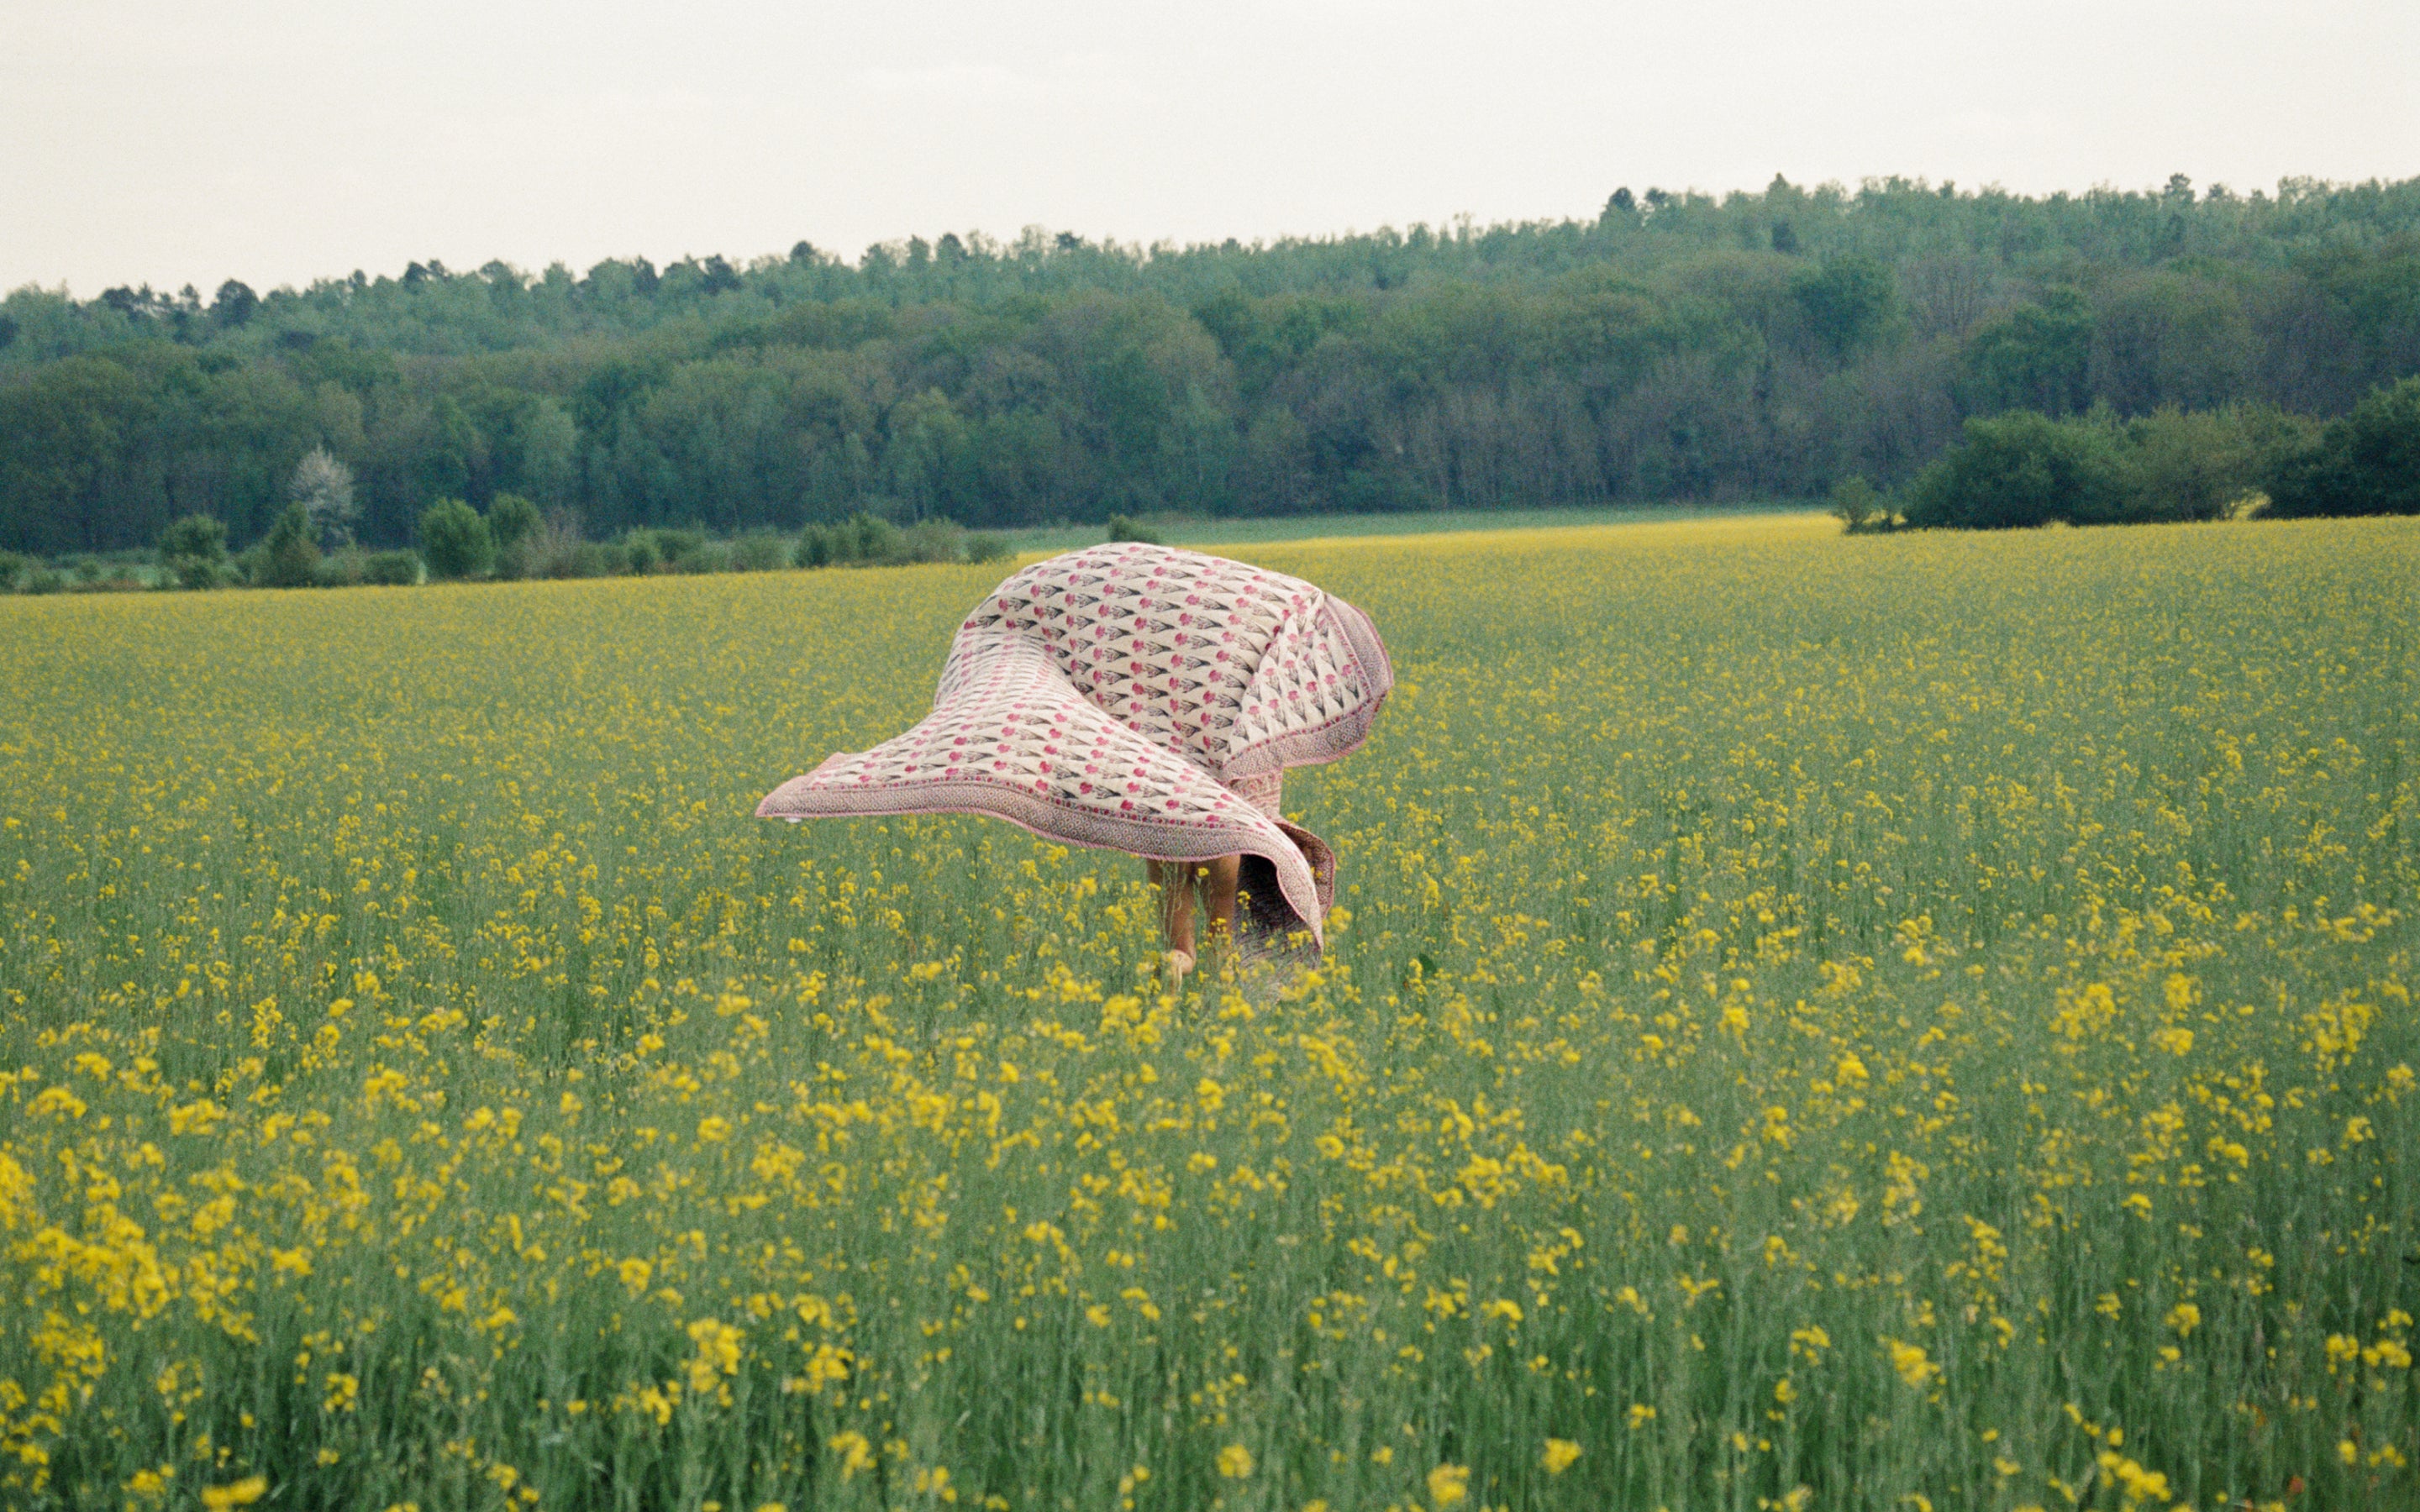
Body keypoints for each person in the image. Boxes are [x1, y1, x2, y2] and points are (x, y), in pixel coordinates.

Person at [758, 540, 1392, 984]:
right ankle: (1220, 961)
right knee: (1226, 829)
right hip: (1199, 709)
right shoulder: (1239, 657)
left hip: (1157, 709)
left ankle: (1181, 954)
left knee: (1168, 827)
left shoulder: (1152, 653)